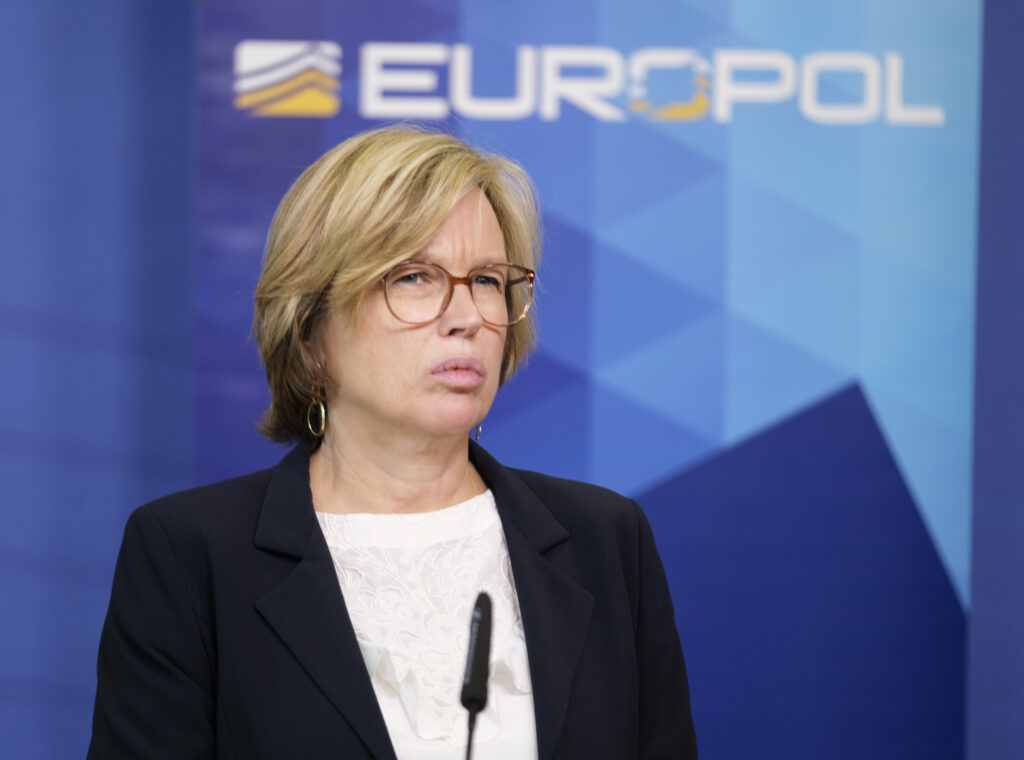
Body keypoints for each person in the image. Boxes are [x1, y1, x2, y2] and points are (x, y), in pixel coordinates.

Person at [88, 126, 697, 759]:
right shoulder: (190, 556)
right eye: (413, 277)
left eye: (487, 280)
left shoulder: (607, 541)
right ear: (310, 328)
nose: (467, 317)